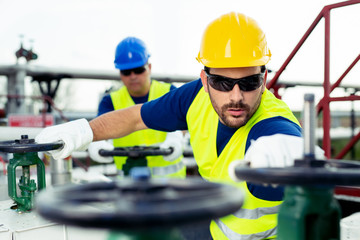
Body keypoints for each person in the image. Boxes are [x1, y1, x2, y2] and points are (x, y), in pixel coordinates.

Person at [36, 12, 309, 239]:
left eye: (249, 83)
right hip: (216, 227)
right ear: (204, 80)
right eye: (222, 83)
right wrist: (82, 132)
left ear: (264, 79)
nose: (236, 96)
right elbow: (134, 117)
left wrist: (296, 154)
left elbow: (292, 145)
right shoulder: (193, 98)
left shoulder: (273, 127)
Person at [87, 36, 186, 178]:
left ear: (149, 67)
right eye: (126, 72)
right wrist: (97, 142)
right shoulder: (110, 102)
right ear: (120, 74)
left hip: (171, 187)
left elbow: (183, 120)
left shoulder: (169, 92)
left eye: (138, 70)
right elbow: (100, 127)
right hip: (129, 188)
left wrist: (176, 136)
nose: (133, 76)